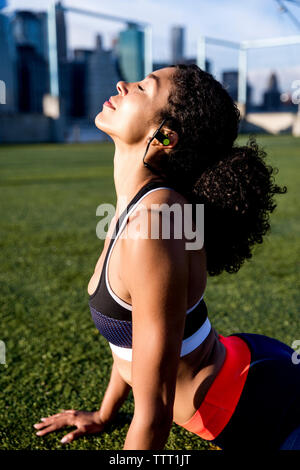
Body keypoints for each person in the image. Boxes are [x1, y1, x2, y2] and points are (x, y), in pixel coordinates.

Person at [33, 64, 300, 450]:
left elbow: (155, 414)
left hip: (259, 403)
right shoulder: (136, 207)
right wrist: (105, 414)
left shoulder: (155, 224)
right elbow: (132, 336)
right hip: (245, 361)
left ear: (164, 136)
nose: (123, 84)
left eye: (143, 87)